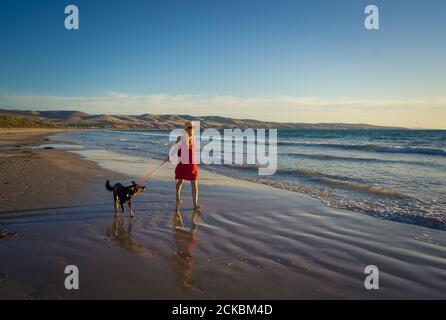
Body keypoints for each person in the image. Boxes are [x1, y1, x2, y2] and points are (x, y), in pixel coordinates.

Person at [167, 121, 202, 210]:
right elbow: (175, 148)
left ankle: (195, 204)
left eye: (192, 128)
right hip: (183, 163)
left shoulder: (194, 138)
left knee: (194, 184)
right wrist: (170, 155)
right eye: (189, 128)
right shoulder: (180, 138)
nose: (191, 130)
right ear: (185, 129)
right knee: (180, 182)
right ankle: (177, 197)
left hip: (192, 164)